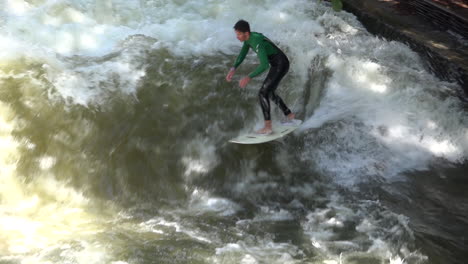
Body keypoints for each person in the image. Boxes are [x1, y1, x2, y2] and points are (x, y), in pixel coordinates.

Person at [226, 20, 296, 134]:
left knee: (263, 92)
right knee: (269, 92)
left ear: (246, 33)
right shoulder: (249, 39)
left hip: (281, 64)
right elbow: (243, 53)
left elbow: (264, 65)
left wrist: (248, 77)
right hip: (278, 63)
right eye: (236, 34)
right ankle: (290, 115)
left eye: (238, 34)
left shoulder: (256, 40)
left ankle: (268, 126)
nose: (237, 37)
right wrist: (233, 68)